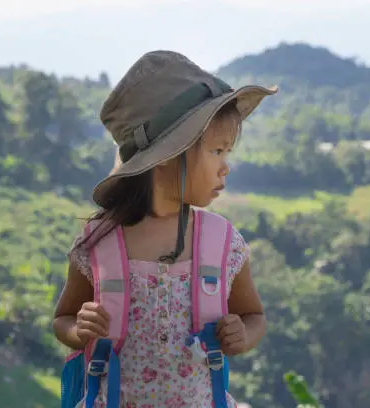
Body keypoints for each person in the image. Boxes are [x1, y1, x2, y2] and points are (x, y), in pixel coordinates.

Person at [52, 50, 277, 407]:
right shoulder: (100, 242)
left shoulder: (223, 244)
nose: (225, 167)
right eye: (217, 151)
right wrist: (79, 330)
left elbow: (254, 316)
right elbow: (63, 318)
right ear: (168, 156)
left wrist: (242, 334)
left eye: (227, 152)